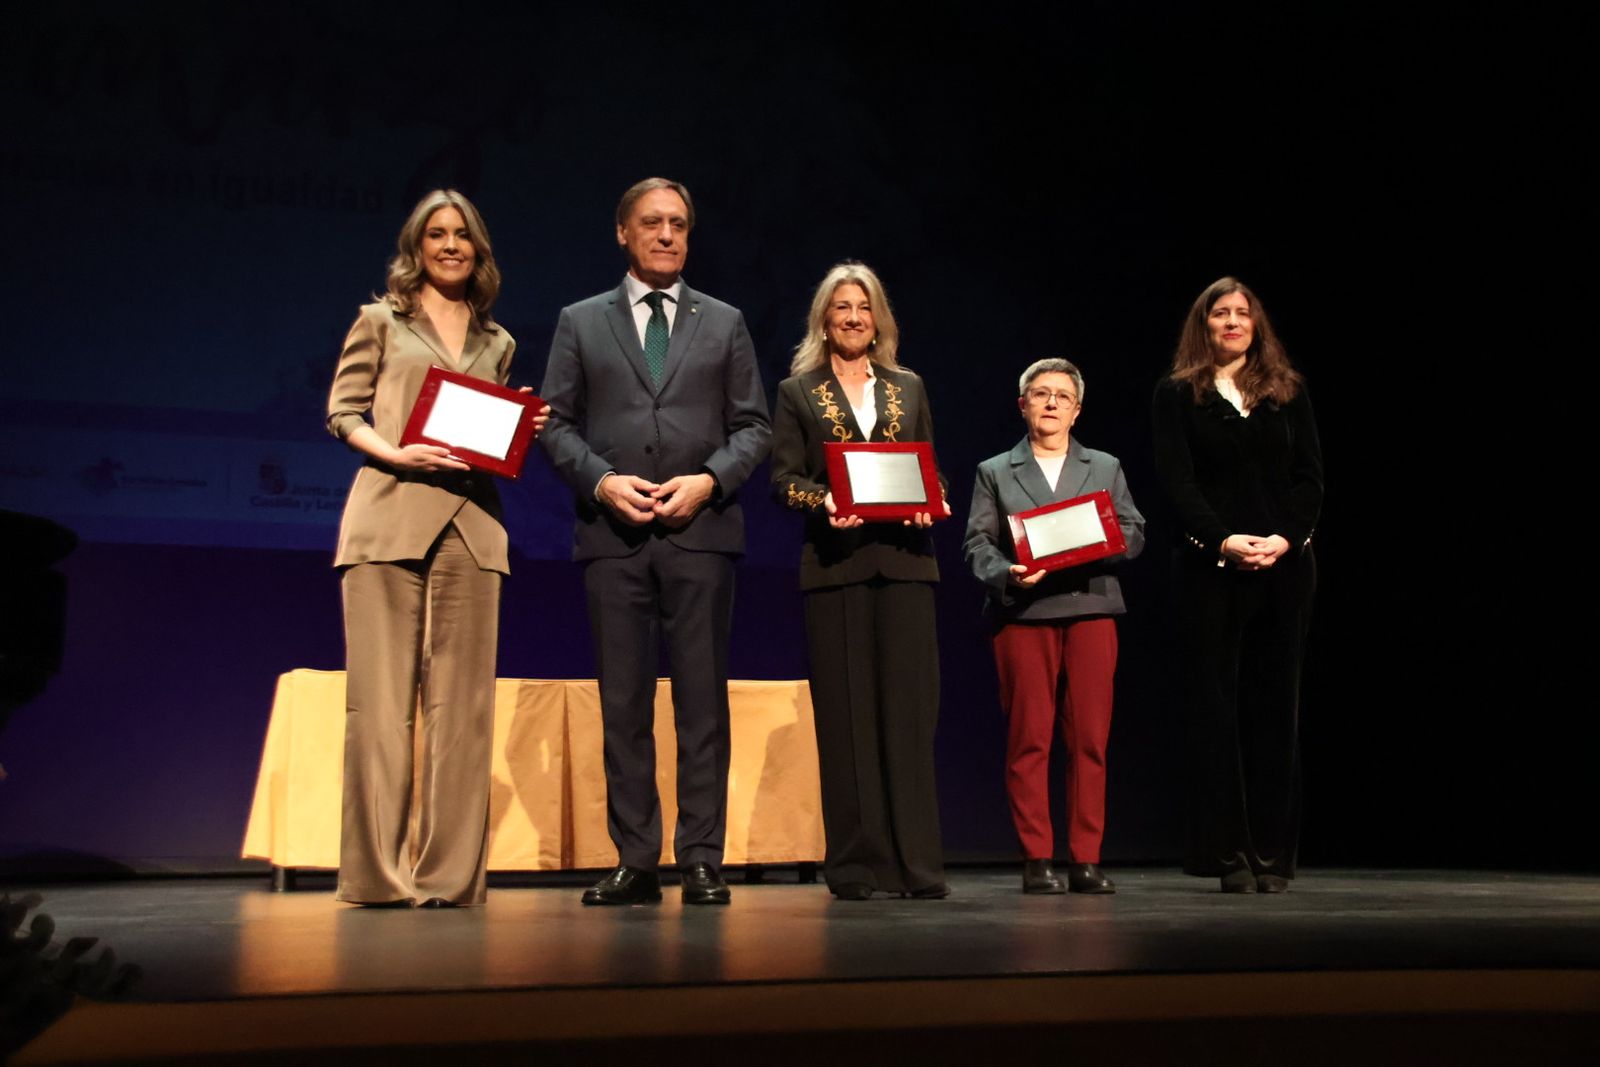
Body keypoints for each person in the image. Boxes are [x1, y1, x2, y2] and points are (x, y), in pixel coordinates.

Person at [539, 178, 771, 906]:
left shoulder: (725, 321)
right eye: (652, 223)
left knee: (703, 704)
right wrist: (603, 481)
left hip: (701, 535)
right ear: (623, 233)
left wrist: (708, 480)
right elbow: (553, 423)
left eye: (677, 224)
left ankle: (702, 857)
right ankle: (636, 859)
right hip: (613, 538)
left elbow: (755, 427)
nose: (667, 235)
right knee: (624, 704)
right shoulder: (580, 321)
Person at [327, 189, 544, 907]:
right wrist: (396, 453)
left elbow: (480, 434)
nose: (450, 245)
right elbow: (343, 411)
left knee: (463, 711)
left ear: (479, 250)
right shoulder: (379, 321)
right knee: (381, 709)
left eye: (463, 236)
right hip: (388, 518)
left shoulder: (497, 341)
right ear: (416, 246)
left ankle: (447, 878)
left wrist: (519, 428)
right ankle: (377, 878)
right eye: (437, 234)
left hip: (473, 528)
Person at [770, 262, 950, 901]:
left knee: (907, 716)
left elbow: (930, 470)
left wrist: (934, 500)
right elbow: (783, 479)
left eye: (863, 307)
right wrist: (823, 503)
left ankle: (916, 867)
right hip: (837, 567)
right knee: (846, 722)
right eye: (841, 307)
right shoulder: (798, 392)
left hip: (905, 563)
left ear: (878, 320)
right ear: (824, 318)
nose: (852, 317)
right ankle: (855, 866)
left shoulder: (909, 387)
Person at [1151, 277, 1323, 894]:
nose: (1231, 322)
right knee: (1215, 709)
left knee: (1277, 707)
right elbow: (1178, 483)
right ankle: (1228, 854)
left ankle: (1274, 855)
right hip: (1210, 570)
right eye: (1219, 313)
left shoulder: (1287, 391)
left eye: (1241, 313)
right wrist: (1222, 540)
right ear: (1204, 325)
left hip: (1283, 566)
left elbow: (1310, 480)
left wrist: (1285, 538)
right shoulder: (1177, 395)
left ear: (1257, 325)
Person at [964, 359, 1144, 895]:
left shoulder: (1104, 466)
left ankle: (1085, 858)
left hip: (1091, 611)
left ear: (1077, 409)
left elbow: (1134, 530)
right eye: (1039, 394)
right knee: (1030, 740)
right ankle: (1037, 858)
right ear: (1022, 405)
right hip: (1025, 615)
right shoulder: (995, 470)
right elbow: (977, 546)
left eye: (1061, 396)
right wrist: (1008, 574)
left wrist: (1105, 543)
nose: (1050, 403)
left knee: (1089, 740)